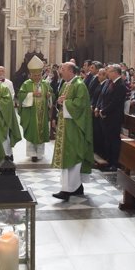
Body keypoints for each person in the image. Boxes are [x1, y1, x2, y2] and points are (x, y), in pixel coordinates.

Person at [51, 62, 93, 200]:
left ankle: (68, 189)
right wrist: (60, 102)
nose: (60, 71)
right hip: (66, 125)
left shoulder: (79, 85)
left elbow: (80, 105)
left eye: (62, 69)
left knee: (72, 155)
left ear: (71, 70)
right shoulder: (65, 84)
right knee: (67, 156)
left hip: (75, 126)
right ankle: (76, 187)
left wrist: (65, 102)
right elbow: (62, 101)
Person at [17, 55, 53, 162]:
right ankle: (32, 153)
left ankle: (40, 153)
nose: (37, 77)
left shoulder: (45, 84)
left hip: (42, 113)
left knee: (41, 132)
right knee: (32, 132)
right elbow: (21, 95)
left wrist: (49, 96)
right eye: (35, 75)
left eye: (39, 75)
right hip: (31, 114)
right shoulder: (26, 84)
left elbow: (52, 95)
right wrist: (32, 94)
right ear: (31, 75)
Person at [96, 64, 128, 172]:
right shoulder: (110, 83)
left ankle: (115, 163)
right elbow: (103, 96)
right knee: (107, 140)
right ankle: (109, 160)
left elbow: (115, 102)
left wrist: (103, 111)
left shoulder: (120, 85)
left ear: (115, 72)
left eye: (109, 71)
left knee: (114, 141)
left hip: (114, 118)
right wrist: (100, 108)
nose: (107, 73)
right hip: (106, 117)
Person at [0, 69, 22, 161]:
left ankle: (7, 155)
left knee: (3, 136)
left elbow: (7, 102)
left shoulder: (3, 88)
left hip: (1, 118)